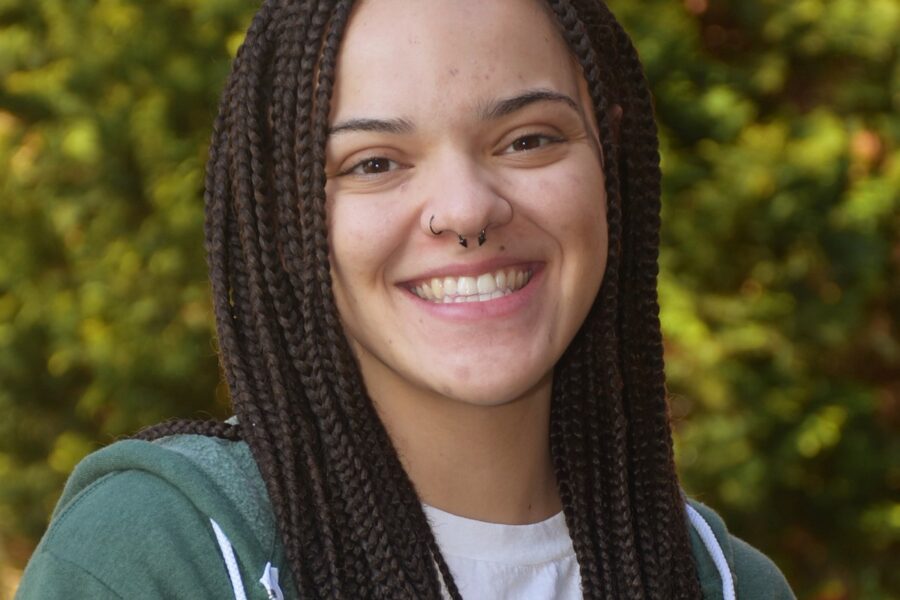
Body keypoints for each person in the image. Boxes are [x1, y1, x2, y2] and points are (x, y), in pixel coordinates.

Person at [16, 0, 796, 598]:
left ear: (610, 163)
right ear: (285, 210)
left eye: (529, 139)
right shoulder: (161, 556)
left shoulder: (722, 582)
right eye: (374, 162)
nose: (465, 209)